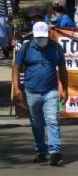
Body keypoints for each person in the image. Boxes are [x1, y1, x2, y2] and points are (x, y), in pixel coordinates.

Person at [12, 22, 68, 166]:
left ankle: (55, 152)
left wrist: (65, 89)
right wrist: (17, 88)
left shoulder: (56, 48)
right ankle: (41, 152)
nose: (41, 40)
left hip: (51, 91)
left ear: (48, 35)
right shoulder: (25, 48)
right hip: (31, 92)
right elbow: (16, 68)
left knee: (53, 120)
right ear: (34, 35)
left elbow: (62, 69)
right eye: (39, 37)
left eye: (44, 37)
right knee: (37, 124)